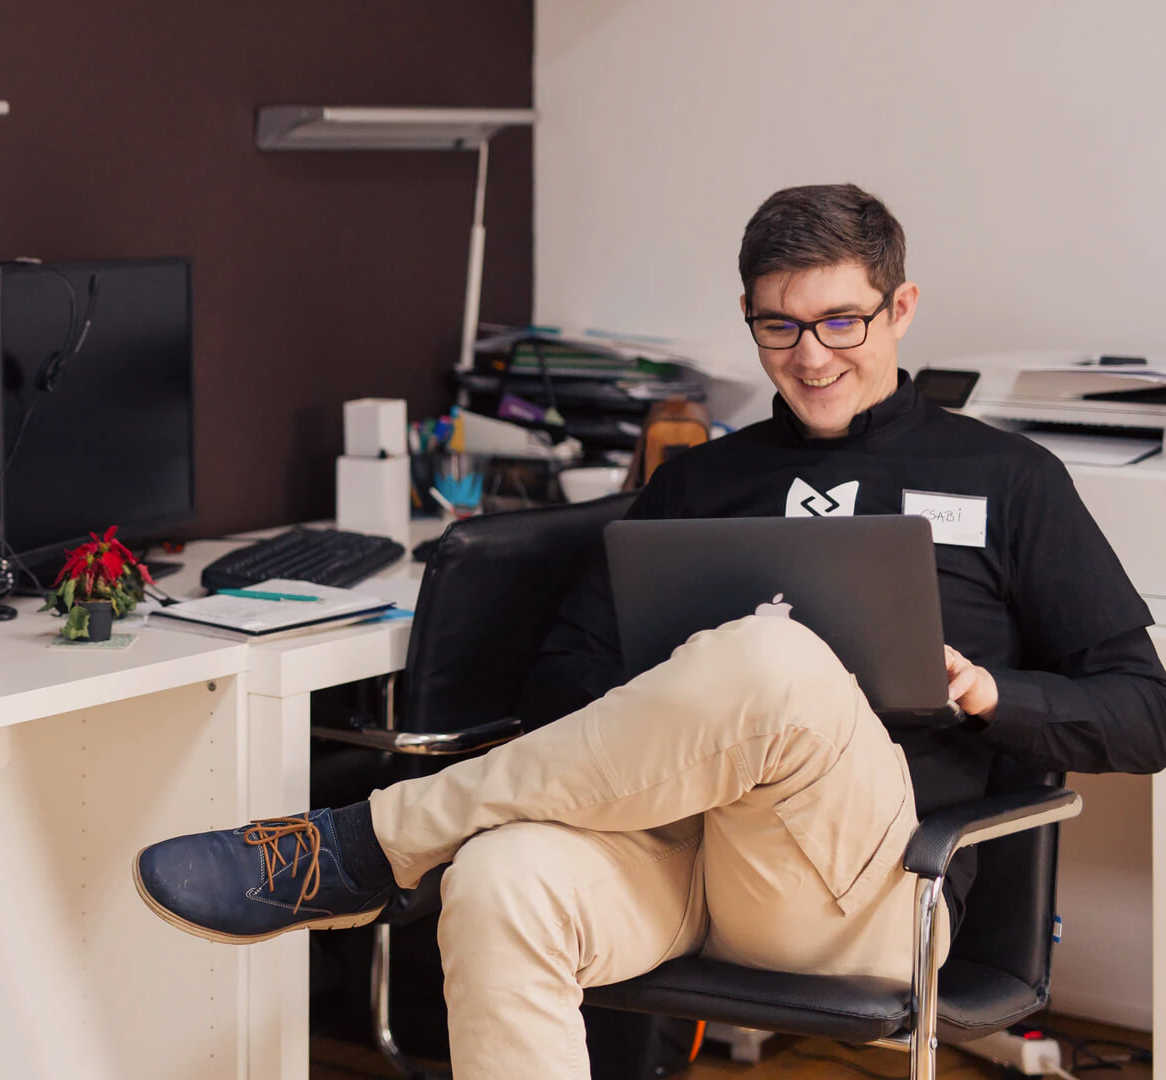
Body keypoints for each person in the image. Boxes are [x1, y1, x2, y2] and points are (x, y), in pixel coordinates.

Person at [131, 184, 1166, 1078]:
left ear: (900, 309)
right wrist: (681, 693)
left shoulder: (1010, 480)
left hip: (866, 891)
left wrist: (988, 694)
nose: (810, 358)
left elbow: (1144, 712)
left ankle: (371, 842)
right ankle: (396, 847)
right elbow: (562, 679)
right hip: (672, 857)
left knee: (774, 654)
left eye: (841, 323)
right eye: (779, 328)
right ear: (749, 319)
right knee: (498, 881)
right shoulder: (698, 481)